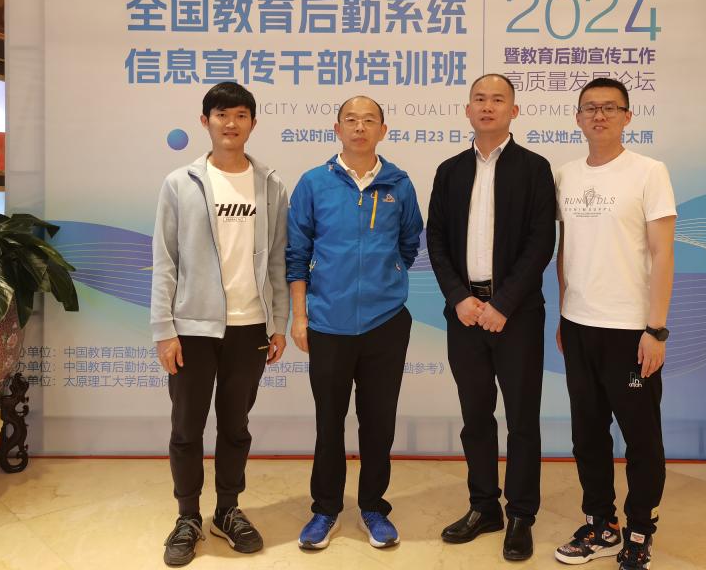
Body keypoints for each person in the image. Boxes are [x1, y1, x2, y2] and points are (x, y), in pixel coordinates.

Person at [150, 82, 290, 567]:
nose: (231, 123)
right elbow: (165, 261)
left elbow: (278, 259)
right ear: (205, 121)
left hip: (251, 327)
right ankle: (188, 516)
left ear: (253, 123)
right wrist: (163, 329)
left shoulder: (271, 185)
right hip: (192, 328)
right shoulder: (180, 183)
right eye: (221, 114)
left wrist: (278, 322)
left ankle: (227, 510)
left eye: (241, 115)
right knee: (187, 427)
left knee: (235, 426)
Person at [427, 73, 556, 562]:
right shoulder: (450, 171)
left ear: (513, 110)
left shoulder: (535, 168)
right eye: (479, 99)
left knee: (522, 419)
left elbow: (541, 243)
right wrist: (459, 297)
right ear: (467, 110)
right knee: (475, 416)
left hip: (516, 315)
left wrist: (503, 303)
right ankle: (484, 506)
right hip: (464, 314)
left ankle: (521, 513)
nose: (487, 106)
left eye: (498, 99)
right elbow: (436, 240)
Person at [286, 95, 424, 551]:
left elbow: (409, 243)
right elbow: (296, 254)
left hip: (386, 322)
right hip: (328, 322)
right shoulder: (314, 183)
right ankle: (325, 509)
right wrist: (300, 316)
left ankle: (373, 507)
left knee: (378, 422)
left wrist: (388, 276)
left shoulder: (399, 184)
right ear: (337, 129)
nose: (360, 127)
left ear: (383, 130)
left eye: (369, 121)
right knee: (329, 422)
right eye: (351, 120)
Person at [553, 77, 676, 570]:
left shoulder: (649, 172)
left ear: (628, 116)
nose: (599, 115)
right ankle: (601, 524)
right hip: (578, 325)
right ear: (578, 118)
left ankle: (640, 531)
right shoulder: (566, 175)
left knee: (641, 438)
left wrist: (656, 329)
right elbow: (566, 251)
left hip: (631, 330)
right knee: (587, 435)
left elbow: (663, 254)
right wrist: (564, 312)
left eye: (609, 107)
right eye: (590, 108)